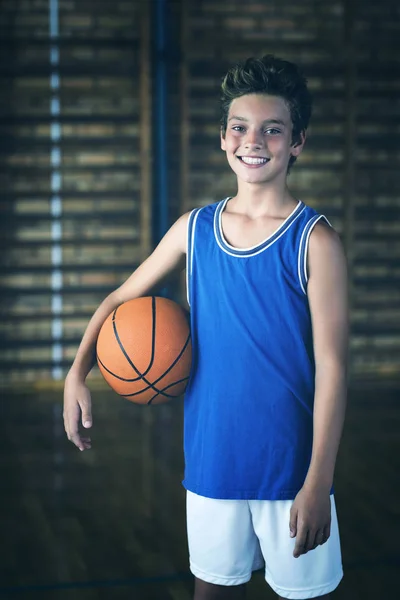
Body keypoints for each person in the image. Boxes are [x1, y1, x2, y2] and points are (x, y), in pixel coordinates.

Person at [64, 55, 348, 600]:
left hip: (291, 472)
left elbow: (333, 367)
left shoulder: (315, 241)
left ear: (297, 143)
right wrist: (78, 372)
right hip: (213, 463)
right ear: (223, 139)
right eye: (240, 128)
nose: (253, 140)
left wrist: (319, 482)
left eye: (273, 129)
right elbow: (121, 298)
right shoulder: (193, 230)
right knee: (212, 594)